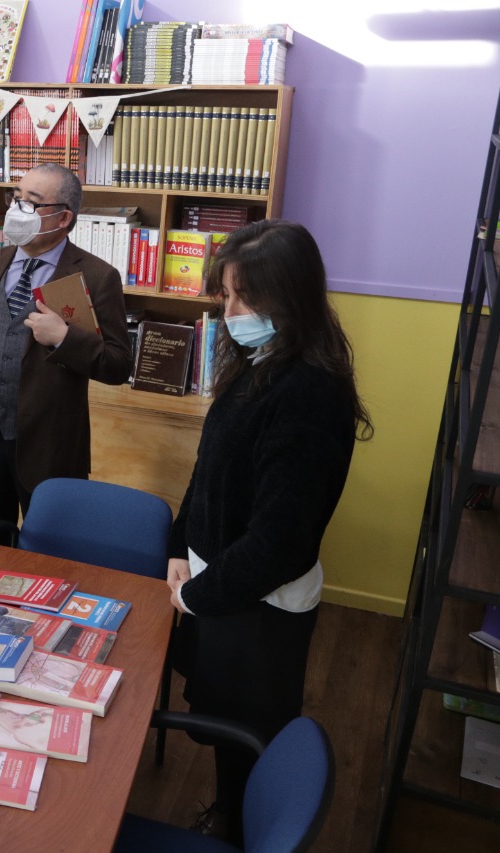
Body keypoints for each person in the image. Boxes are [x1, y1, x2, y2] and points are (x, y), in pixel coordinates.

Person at [165, 219, 372, 840]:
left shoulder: (308, 392)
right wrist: (179, 548)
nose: (230, 310)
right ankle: (229, 811)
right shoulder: (259, 359)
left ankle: (237, 828)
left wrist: (198, 595)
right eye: (226, 295)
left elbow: (277, 543)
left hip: (255, 603)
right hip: (217, 582)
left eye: (244, 297)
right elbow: (208, 472)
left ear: (291, 296)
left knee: (249, 733)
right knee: (220, 723)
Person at [0, 162, 132, 529]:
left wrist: (65, 338)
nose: (16, 210)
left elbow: (118, 365)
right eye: (15, 198)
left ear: (63, 218)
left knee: (50, 547)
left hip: (51, 444)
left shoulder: (97, 277)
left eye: (31, 203)